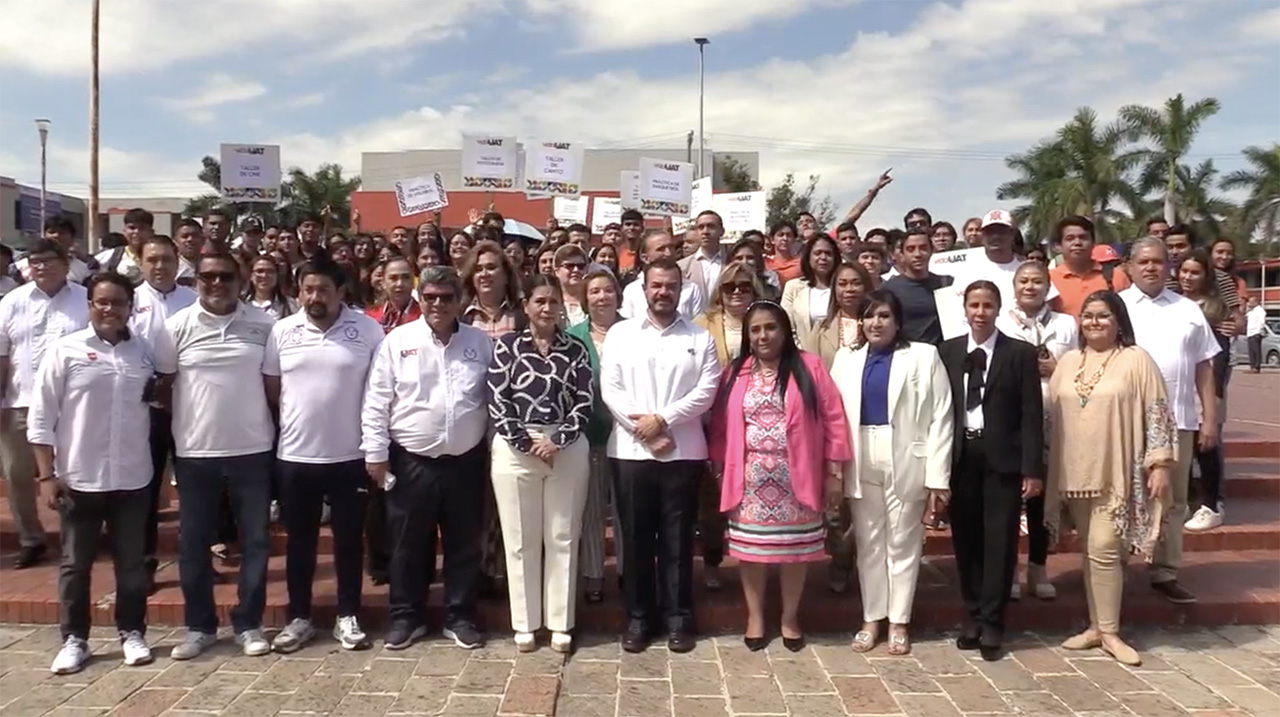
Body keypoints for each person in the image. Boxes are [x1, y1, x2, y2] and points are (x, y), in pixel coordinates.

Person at [361, 266, 493, 651]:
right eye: (431, 297)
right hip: (410, 460)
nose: (438, 304)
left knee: (464, 543)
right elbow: (376, 400)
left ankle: (460, 616)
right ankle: (406, 616)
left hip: (466, 461)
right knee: (406, 543)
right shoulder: (397, 342)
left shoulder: (479, 343)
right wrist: (375, 453)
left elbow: (491, 400)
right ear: (421, 299)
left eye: (447, 297)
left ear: (459, 301)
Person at [30, 273, 155, 674]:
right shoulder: (65, 350)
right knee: (75, 564)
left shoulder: (144, 353)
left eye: (118, 302)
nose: (109, 309)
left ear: (129, 307)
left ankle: (132, 632)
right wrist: (46, 476)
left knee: (132, 564)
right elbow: (41, 417)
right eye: (101, 302)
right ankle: (74, 639)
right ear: (90, 305)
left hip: (132, 477)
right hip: (79, 477)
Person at [153, 252, 277, 660]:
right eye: (208, 276)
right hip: (195, 452)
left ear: (241, 280)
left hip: (253, 450)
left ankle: (249, 623)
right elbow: (165, 389)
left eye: (225, 275)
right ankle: (200, 626)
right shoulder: (175, 328)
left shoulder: (264, 325)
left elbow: (274, 389)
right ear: (196, 281)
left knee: (256, 541)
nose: (217, 282)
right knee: (194, 544)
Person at [709, 301, 851, 652]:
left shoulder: (809, 366)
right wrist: (717, 466)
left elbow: (834, 418)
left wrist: (835, 471)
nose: (762, 335)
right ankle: (755, 616)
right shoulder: (736, 372)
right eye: (755, 329)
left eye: (770, 327)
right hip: (750, 480)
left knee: (795, 551)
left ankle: (790, 617)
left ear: (785, 329)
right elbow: (720, 426)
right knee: (751, 552)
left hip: (797, 478)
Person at [1045, 291, 1176, 666]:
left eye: (1103, 316)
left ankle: (1110, 632)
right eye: (1087, 316)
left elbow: (1157, 413)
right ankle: (1095, 627)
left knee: (1103, 548)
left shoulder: (1136, 360)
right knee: (1091, 549)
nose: (1094, 322)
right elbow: (1051, 417)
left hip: (1118, 472)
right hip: (1074, 472)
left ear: (1119, 320)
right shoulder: (1068, 363)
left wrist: (1161, 463)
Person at [263, 254, 384, 653]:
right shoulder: (282, 331)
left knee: (350, 541)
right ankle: (299, 617)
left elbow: (379, 390)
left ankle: (348, 615)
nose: (315, 297)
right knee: (300, 542)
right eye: (307, 289)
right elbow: (273, 389)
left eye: (323, 290)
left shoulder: (368, 330)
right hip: (296, 457)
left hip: (351, 456)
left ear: (341, 292)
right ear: (298, 292)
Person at [600, 258, 720, 653]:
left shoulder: (699, 337)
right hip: (631, 454)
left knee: (678, 540)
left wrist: (663, 419)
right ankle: (638, 619)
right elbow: (611, 390)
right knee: (634, 541)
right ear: (644, 288)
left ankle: (679, 618)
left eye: (671, 285)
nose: (663, 292)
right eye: (656, 285)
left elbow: (706, 391)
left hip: (683, 453)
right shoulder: (621, 333)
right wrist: (645, 432)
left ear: (681, 289)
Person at [831, 290, 952, 655]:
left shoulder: (923, 356)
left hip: (906, 456)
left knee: (902, 543)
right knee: (868, 543)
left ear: (897, 321)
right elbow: (834, 417)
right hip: (861, 453)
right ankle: (872, 619)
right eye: (869, 316)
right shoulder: (846, 359)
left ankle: (899, 620)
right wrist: (834, 468)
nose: (876, 323)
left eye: (884, 316)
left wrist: (937, 477)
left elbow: (941, 416)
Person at [487, 275, 594, 653]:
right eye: (539, 302)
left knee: (562, 536)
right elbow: (498, 401)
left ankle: (561, 623)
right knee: (520, 540)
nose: (547, 309)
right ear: (526, 305)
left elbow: (585, 401)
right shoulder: (506, 348)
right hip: (517, 451)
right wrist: (525, 441)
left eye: (552, 302)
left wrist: (558, 440)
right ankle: (525, 623)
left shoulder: (576, 350)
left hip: (565, 449)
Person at [940, 280, 1043, 661]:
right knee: (966, 540)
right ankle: (972, 613)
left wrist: (1032, 468)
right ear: (964, 309)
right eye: (974, 305)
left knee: (999, 541)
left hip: (1002, 457)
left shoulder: (1019, 353)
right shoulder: (948, 351)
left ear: (998, 310)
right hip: (961, 454)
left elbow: (1032, 416)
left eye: (987, 305)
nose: (980, 312)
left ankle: (994, 620)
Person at [1121, 238, 1220, 605]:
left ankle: (1165, 570)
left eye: (1158, 262)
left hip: (1179, 419)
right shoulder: (1117, 307)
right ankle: (1116, 567)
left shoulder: (1188, 310)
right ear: (1129, 266)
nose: (1151, 268)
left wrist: (1210, 418)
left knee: (1174, 499)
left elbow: (1204, 366)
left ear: (1170, 267)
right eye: (1143, 261)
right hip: (1126, 421)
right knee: (1124, 495)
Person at [0, 239, 90, 569]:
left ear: (66, 263)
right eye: (34, 261)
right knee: (17, 475)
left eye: (48, 261)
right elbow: (1, 354)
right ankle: (30, 539)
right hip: (21, 402)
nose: (40, 267)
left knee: (72, 475)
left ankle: (76, 538)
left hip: (73, 405)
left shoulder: (85, 300)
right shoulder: (12, 302)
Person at [995, 262, 1078, 601]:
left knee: (1044, 497)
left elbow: (1078, 368)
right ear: (1014, 286)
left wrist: (1056, 368)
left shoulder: (1066, 324)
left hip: (1054, 415)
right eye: (1024, 281)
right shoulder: (1001, 322)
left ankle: (1039, 566)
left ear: (1049, 286)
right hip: (1011, 419)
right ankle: (1011, 568)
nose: (1030, 287)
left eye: (1037, 281)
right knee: (1011, 496)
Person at [128, 235, 198, 590]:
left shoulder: (194, 301)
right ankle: (144, 561)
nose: (160, 266)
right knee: (147, 486)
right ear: (141, 262)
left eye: (167, 259)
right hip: (147, 409)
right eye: (152, 259)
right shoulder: (130, 302)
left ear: (177, 262)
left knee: (194, 487)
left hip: (190, 407)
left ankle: (197, 559)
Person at [693, 262, 766, 590]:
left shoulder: (766, 321)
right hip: (712, 422)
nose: (737, 292)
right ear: (719, 292)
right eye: (730, 287)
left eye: (744, 286)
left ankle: (758, 561)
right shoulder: (700, 326)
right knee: (711, 499)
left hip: (758, 423)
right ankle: (712, 559)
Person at [566, 269, 625, 604]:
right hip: (589, 436)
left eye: (608, 290)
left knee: (625, 509)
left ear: (617, 294)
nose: (602, 297)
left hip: (630, 435)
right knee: (590, 511)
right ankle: (593, 575)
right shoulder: (573, 336)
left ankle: (627, 571)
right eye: (595, 292)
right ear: (585, 300)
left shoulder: (636, 331)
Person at [1175, 251, 1231, 533]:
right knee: (1181, 448)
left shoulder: (1213, 307)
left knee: (1206, 446)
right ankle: (1183, 501)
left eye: (1194, 272)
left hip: (1204, 386)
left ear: (1206, 275)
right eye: (1184, 271)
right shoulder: (1172, 303)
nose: (1187, 277)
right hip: (1179, 388)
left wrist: (1216, 392)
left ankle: (1211, 504)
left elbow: (1219, 354)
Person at [1048, 216, 1130, 319]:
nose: (1077, 243)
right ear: (1058, 246)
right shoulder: (1049, 280)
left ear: (1093, 243)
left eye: (1083, 238)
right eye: (1070, 238)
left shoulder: (1117, 277)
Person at [883, 229, 954, 345]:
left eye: (923, 248)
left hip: (942, 356)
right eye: (911, 249)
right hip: (904, 355)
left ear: (932, 251)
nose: (917, 254)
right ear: (902, 254)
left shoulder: (947, 284)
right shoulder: (889, 289)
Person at [619, 229, 706, 320]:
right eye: (661, 249)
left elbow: (698, 325)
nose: (668, 253)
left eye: (671, 247)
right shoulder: (632, 290)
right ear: (645, 258)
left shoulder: (691, 288)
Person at [782, 235, 839, 344]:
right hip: (802, 354)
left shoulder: (842, 287)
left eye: (828, 253)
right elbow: (786, 327)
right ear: (808, 257)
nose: (823, 257)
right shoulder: (793, 287)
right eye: (818, 253)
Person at [366, 257, 421, 334]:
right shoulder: (370, 317)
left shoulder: (423, 317)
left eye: (406, 277)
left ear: (413, 281)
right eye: (393, 278)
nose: (400, 284)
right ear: (383, 282)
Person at [678, 210, 726, 298]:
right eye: (701, 227)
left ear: (722, 231)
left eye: (711, 226)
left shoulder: (732, 263)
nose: (705, 231)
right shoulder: (682, 267)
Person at [243, 255, 297, 320]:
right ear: (251, 275)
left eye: (270, 271)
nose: (264, 275)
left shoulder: (290, 305)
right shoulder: (240, 303)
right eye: (259, 271)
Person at [554, 245, 590, 326]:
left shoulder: (593, 301)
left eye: (581, 266)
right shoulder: (551, 302)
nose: (576, 270)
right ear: (557, 271)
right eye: (569, 266)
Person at [1246, 296, 1266, 373]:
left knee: (1256, 350)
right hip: (1250, 333)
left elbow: (1262, 322)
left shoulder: (1260, 311)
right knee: (1251, 351)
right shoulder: (1251, 311)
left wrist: (1259, 331)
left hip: (1256, 332)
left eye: (1251, 302)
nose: (1249, 303)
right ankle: (1252, 366)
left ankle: (1257, 367)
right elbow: (1246, 317)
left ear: (1256, 302)